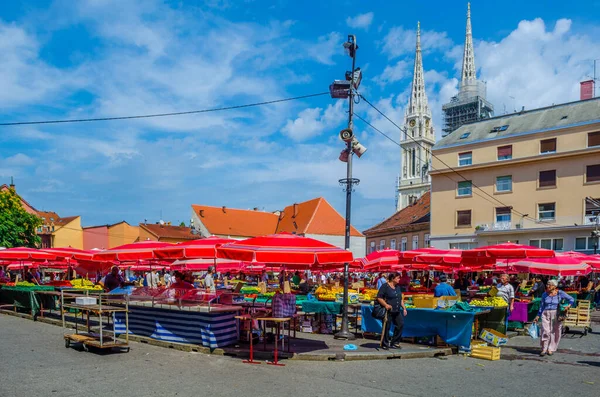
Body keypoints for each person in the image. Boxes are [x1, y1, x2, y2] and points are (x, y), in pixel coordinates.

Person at [533, 279, 575, 356]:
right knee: (545, 331)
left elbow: (571, 299)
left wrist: (568, 306)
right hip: (545, 313)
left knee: (554, 331)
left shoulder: (560, 293)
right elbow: (542, 306)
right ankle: (544, 349)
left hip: (556, 314)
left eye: (549, 285)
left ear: (554, 286)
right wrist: (537, 315)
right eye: (547, 284)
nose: (547, 286)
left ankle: (550, 349)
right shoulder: (544, 294)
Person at [376, 272, 407, 350]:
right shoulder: (385, 286)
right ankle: (385, 343)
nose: (399, 279)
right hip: (388, 310)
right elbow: (379, 297)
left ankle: (395, 342)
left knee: (400, 324)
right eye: (398, 278)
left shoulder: (397, 287)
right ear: (393, 278)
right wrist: (386, 305)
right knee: (387, 327)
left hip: (397, 310)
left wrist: (404, 308)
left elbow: (400, 299)